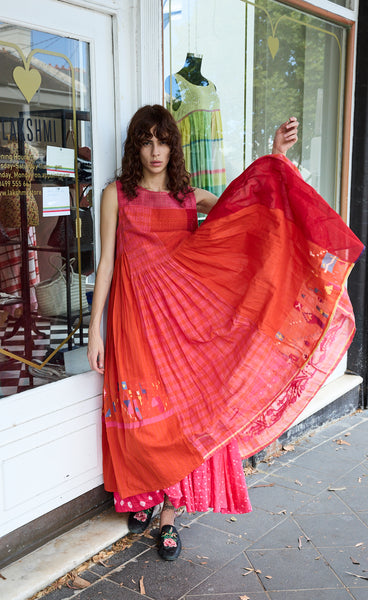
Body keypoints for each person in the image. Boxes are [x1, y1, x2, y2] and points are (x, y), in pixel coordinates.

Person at [88, 105, 362, 561]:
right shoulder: (117, 195)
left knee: (183, 418)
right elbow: (106, 263)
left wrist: (275, 156)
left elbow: (250, 209)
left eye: (164, 141)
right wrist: (95, 330)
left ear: (174, 146)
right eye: (146, 141)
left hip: (184, 320)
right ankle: (144, 492)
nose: (156, 151)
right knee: (140, 415)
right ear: (135, 146)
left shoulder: (188, 196)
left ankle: (170, 516)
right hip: (133, 317)